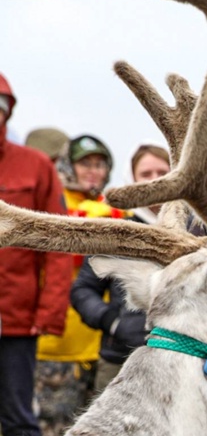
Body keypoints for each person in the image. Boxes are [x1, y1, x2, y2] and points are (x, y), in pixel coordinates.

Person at [34, 133, 125, 436]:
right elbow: (64, 243)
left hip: (102, 350)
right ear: (68, 167)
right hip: (57, 349)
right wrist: (100, 216)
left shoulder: (110, 207)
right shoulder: (53, 201)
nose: (92, 171)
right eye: (84, 163)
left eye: (99, 164)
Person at [0, 72, 72, 436]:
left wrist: (48, 313)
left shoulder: (36, 167)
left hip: (15, 322)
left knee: (19, 419)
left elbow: (58, 244)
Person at [70, 143, 171, 396]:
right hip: (121, 360)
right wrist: (113, 323)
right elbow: (83, 290)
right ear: (132, 179)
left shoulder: (198, 229)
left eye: (162, 172)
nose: (154, 181)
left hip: (186, 360)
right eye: (145, 174)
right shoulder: (116, 232)